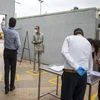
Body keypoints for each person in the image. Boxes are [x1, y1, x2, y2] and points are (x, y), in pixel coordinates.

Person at [61, 28, 93, 100]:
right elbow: (90, 61)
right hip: (83, 75)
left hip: (70, 75)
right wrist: (88, 74)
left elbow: (64, 52)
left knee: (66, 97)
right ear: (82, 34)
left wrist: (77, 67)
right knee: (79, 98)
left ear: (74, 34)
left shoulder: (69, 38)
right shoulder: (87, 42)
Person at [1, 17, 21, 94]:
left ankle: (6, 88)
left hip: (6, 52)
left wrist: (3, 21)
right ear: (15, 24)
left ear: (9, 23)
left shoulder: (5, 30)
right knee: (13, 70)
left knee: (6, 70)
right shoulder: (16, 33)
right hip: (13, 53)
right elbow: (19, 44)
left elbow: (2, 26)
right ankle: (12, 86)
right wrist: (15, 48)